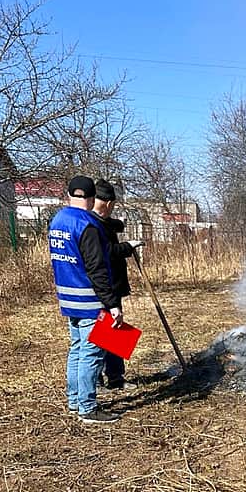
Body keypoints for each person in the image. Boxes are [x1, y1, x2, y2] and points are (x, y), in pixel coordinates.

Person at [48, 175, 123, 424]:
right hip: (90, 300)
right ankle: (88, 408)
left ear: (69, 195)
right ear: (92, 199)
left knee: (77, 350)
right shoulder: (87, 225)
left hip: (68, 298)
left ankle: (74, 401)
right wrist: (112, 304)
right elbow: (97, 269)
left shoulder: (58, 221)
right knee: (91, 354)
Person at [92, 179, 143, 390]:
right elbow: (107, 252)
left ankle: (115, 377)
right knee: (101, 333)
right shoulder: (91, 224)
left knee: (113, 330)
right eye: (110, 204)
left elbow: (112, 224)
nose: (110, 209)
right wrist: (127, 247)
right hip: (103, 285)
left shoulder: (102, 220)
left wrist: (119, 223)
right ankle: (95, 380)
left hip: (113, 284)